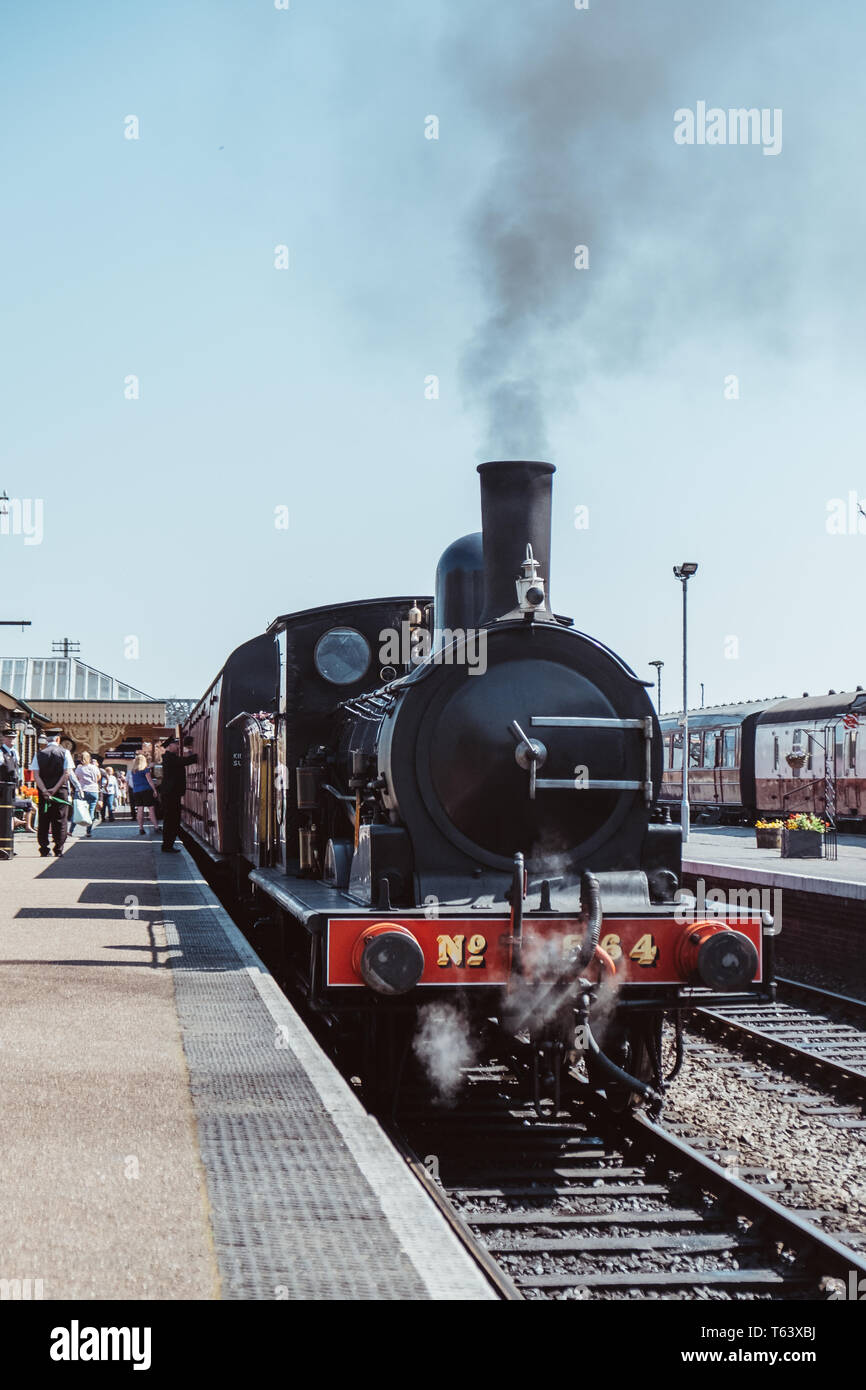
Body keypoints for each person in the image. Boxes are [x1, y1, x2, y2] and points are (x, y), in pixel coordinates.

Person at [30, 734, 76, 857]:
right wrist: (55, 789)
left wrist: (45, 790)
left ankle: (44, 849)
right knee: (60, 820)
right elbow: (66, 773)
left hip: (43, 792)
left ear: (46, 740)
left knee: (44, 819)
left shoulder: (38, 754)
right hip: (60, 791)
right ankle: (59, 848)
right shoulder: (65, 753)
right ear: (58, 739)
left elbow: (36, 775)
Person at [158, 734, 196, 853]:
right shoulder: (170, 758)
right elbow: (187, 761)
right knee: (171, 820)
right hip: (171, 794)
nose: (178, 746)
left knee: (172, 820)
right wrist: (190, 751)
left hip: (171, 794)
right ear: (170, 746)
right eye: (176, 744)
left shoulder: (170, 757)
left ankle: (168, 844)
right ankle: (167, 846)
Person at [73, 751, 101, 837]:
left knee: (77, 810)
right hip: (93, 790)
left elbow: (76, 778)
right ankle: (88, 832)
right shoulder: (94, 767)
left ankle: (71, 830)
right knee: (91, 811)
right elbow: (99, 776)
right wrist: (93, 782)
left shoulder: (79, 768)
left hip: (82, 790)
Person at [130, 753, 159, 835]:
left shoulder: (133, 771)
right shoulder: (145, 769)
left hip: (136, 791)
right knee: (151, 809)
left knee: (140, 809)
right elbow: (150, 781)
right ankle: (156, 827)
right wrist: (154, 790)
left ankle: (141, 829)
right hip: (146, 790)